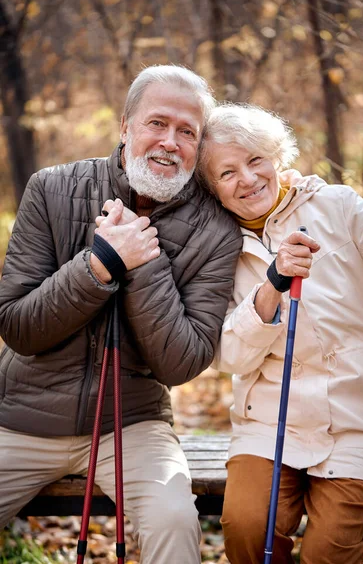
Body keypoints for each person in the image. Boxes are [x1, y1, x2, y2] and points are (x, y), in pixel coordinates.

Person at [0, 65, 242, 563]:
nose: (170, 142)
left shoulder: (217, 231)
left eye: (187, 131)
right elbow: (17, 326)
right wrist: (100, 264)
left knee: (175, 520)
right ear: (125, 125)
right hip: (20, 418)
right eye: (157, 123)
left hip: (132, 426)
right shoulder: (51, 189)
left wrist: (142, 263)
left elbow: (182, 363)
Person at [198, 102, 363, 564]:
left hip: (357, 415)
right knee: (246, 529)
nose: (247, 179)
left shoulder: (337, 206)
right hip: (268, 421)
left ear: (276, 156)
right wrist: (272, 284)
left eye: (255, 160)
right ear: (212, 190)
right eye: (227, 173)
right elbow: (228, 355)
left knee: (328, 551)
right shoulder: (213, 248)